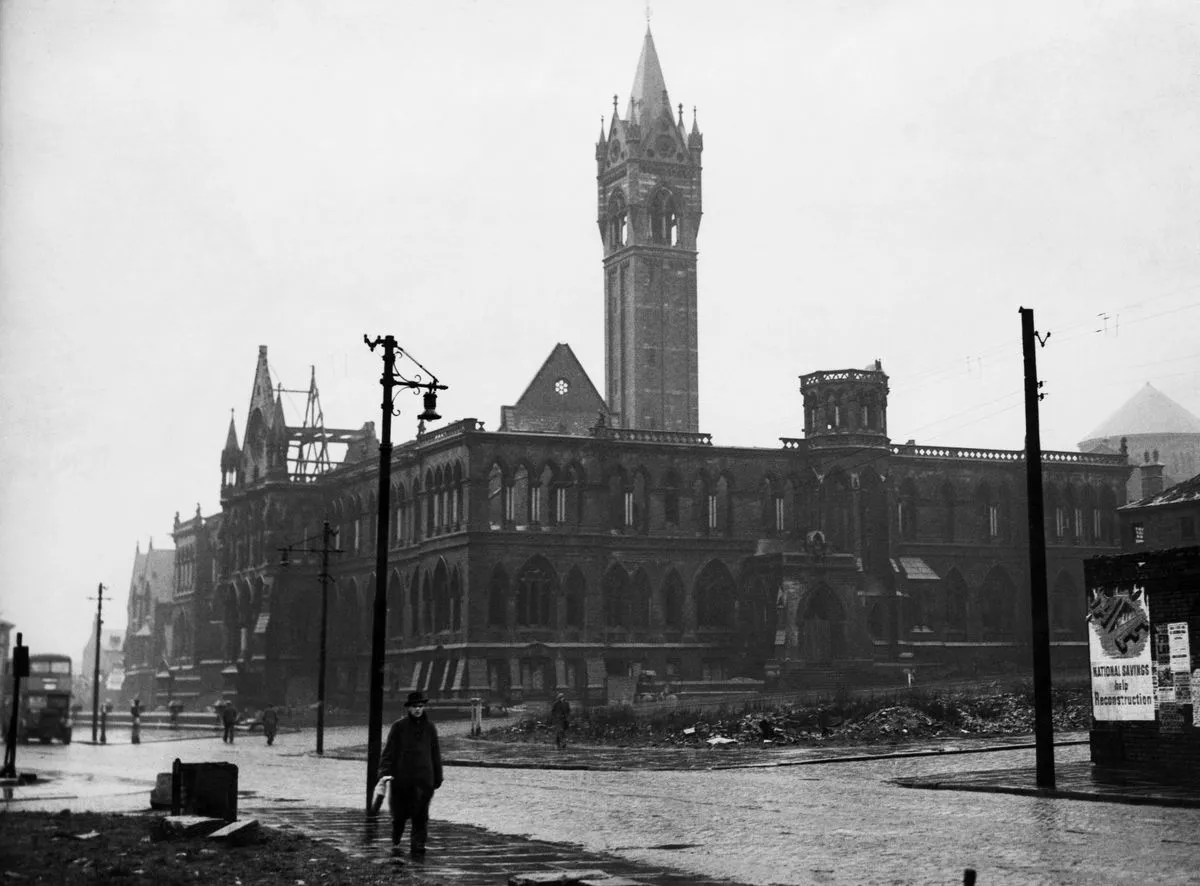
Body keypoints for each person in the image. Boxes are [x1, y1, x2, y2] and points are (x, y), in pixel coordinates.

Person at [378, 691, 442, 859]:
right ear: (409, 708)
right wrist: (385, 773)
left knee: (421, 815)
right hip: (402, 781)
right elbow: (388, 753)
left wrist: (438, 776)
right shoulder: (399, 727)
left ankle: (418, 847)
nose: (418, 709)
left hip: (424, 780)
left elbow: (435, 753)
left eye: (421, 706)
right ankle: (396, 834)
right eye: (415, 706)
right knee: (400, 815)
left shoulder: (430, 728)